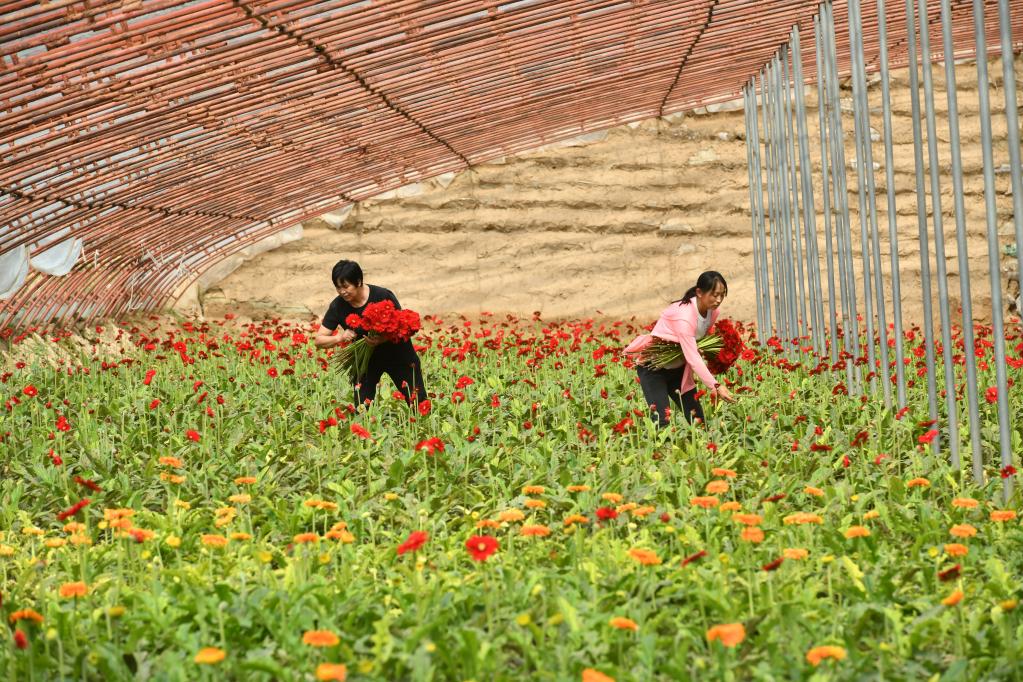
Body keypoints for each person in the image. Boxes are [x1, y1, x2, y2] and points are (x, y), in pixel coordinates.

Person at [624, 271, 735, 427]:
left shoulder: (713, 312)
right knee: (662, 421)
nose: (718, 300)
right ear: (699, 292)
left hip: (678, 371)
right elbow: (693, 357)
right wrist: (715, 386)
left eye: (722, 295)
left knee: (698, 421)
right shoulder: (684, 317)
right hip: (653, 369)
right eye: (714, 295)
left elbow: (699, 339)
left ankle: (702, 444)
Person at [313, 259, 426, 406]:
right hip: (366, 361)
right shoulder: (338, 306)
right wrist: (340, 337)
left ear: (359, 282)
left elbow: (402, 326)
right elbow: (319, 340)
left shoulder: (382, 295)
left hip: (398, 355)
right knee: (362, 407)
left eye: (345, 286)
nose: (342, 292)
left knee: (418, 401)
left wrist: (382, 339)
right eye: (338, 287)